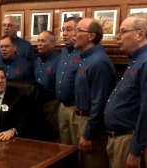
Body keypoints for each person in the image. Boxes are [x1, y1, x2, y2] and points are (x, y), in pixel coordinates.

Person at [104, 13, 147, 168]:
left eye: (122, 31)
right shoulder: (137, 60)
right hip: (120, 140)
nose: (117, 37)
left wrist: (135, 151)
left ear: (140, 34)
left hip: (130, 142)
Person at [74, 18, 116, 168]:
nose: (74, 34)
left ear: (91, 36)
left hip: (92, 124)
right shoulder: (86, 58)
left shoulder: (99, 62)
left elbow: (99, 103)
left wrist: (88, 134)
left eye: (78, 30)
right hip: (81, 120)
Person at [56, 16, 82, 145]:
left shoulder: (83, 51)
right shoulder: (64, 51)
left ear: (79, 31)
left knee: (77, 148)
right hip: (62, 107)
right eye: (63, 30)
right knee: (63, 148)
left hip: (76, 108)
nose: (64, 33)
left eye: (69, 29)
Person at [34, 30, 59, 141]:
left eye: (43, 41)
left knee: (52, 136)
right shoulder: (38, 60)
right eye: (38, 41)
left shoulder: (58, 60)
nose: (39, 44)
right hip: (37, 103)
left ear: (53, 44)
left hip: (52, 104)